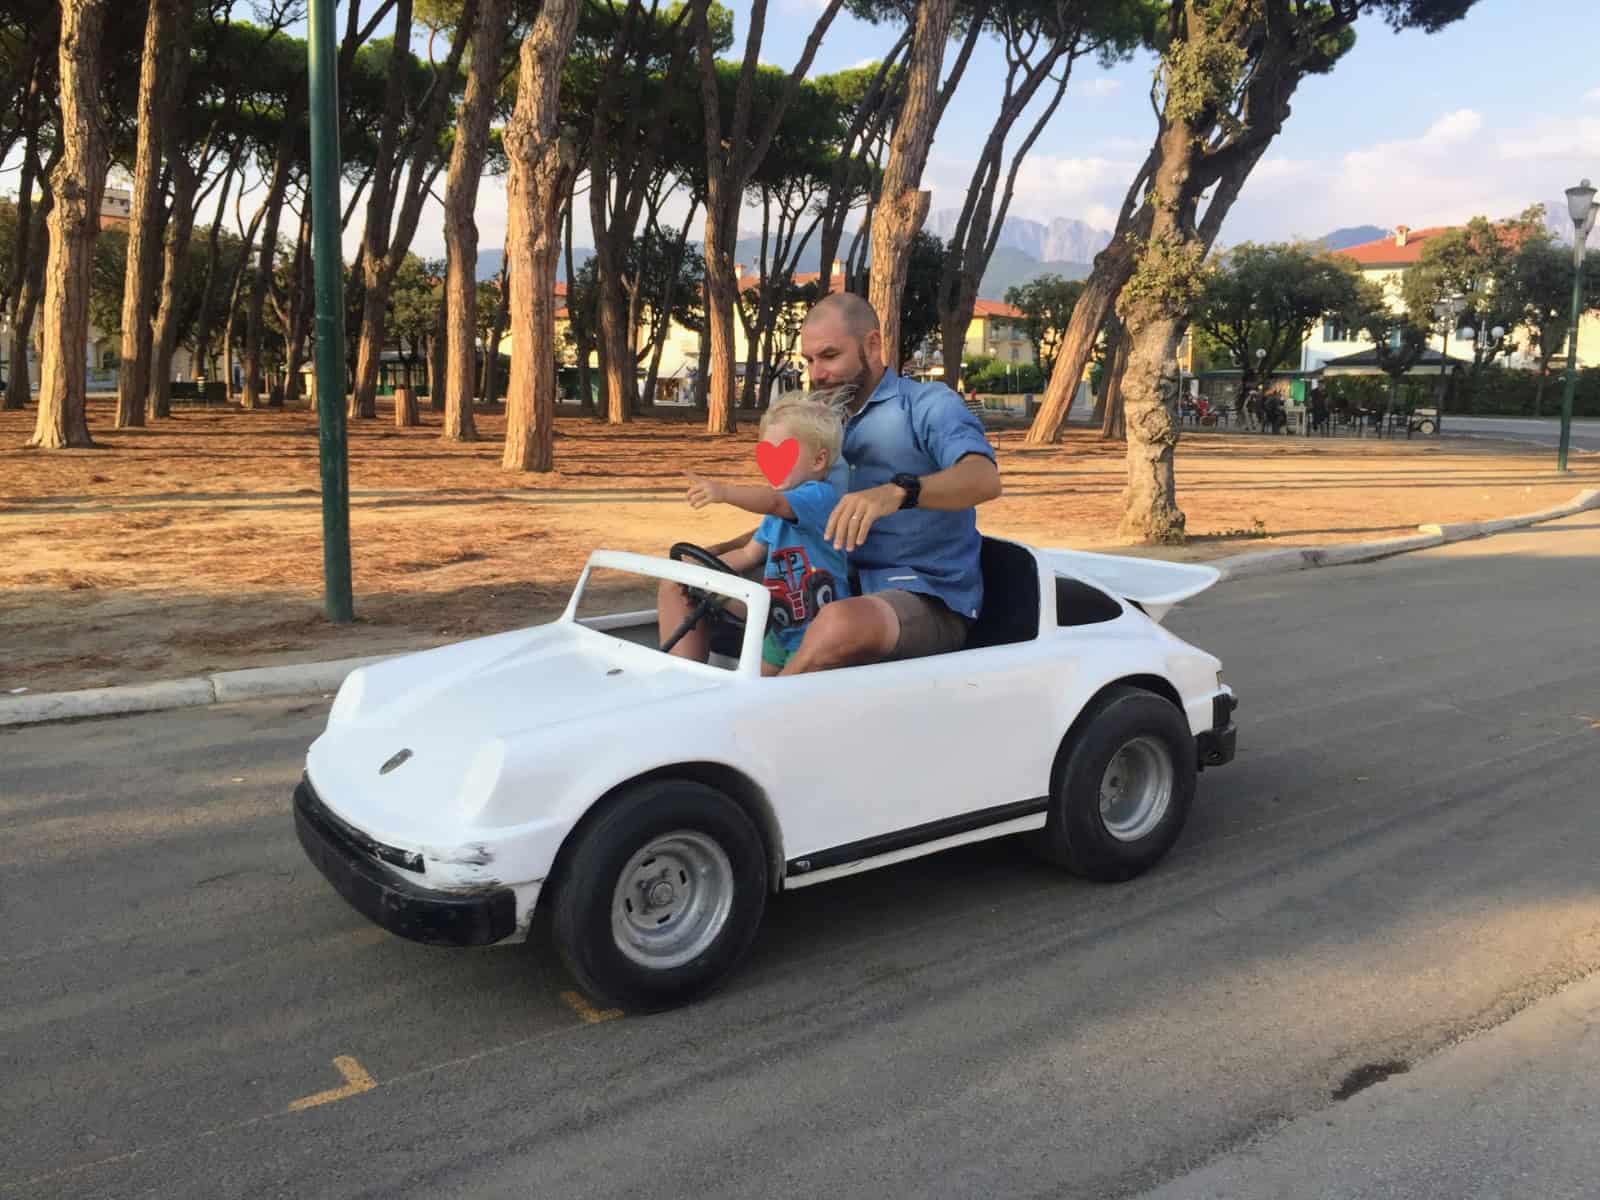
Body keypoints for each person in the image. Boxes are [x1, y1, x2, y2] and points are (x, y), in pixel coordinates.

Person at [656, 292, 1002, 675]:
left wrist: (898, 492)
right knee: (679, 581)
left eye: (830, 356)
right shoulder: (819, 422)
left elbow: (983, 478)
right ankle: (679, 709)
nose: (816, 373)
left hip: (924, 595)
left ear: (871, 345)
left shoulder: (926, 405)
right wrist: (717, 553)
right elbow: (796, 513)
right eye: (809, 360)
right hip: (823, 582)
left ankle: (757, 713)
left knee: (837, 624)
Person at [675, 395, 852, 676]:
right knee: (756, 689)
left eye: (784, 453)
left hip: (818, 633)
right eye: (766, 452)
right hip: (780, 631)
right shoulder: (776, 515)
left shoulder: (820, 498)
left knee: (777, 698)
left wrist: (723, 492)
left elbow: (773, 501)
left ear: (819, 460)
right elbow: (748, 554)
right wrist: (701, 572)